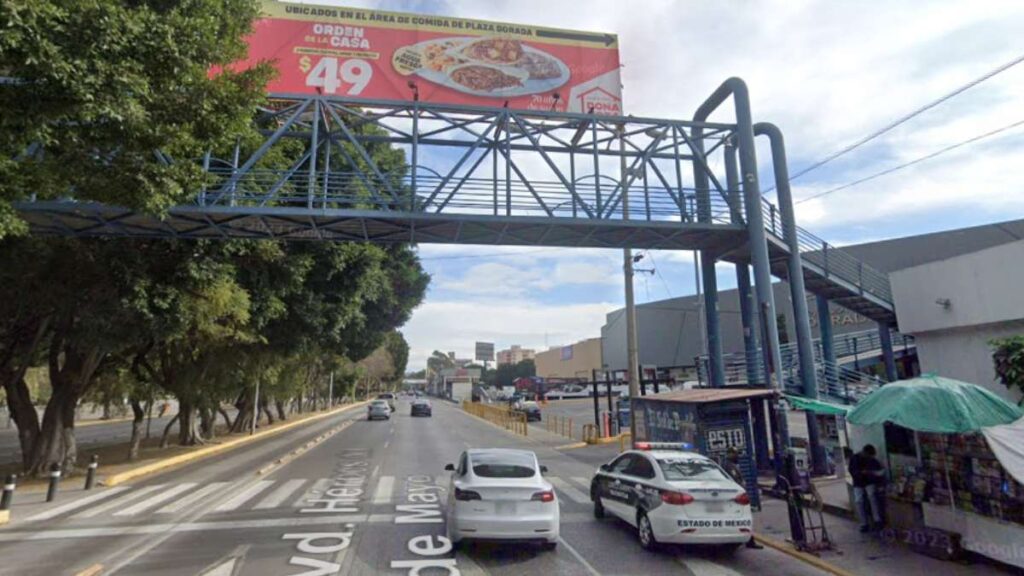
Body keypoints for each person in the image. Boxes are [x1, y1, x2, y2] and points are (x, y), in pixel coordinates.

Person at [722, 448, 764, 549]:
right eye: (735, 454)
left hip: (737, 497)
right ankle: (747, 541)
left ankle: (748, 540)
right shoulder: (728, 466)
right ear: (730, 454)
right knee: (742, 518)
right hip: (735, 498)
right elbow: (735, 481)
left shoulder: (731, 465)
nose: (738, 456)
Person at [849, 444, 885, 532]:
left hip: (869, 481)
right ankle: (864, 523)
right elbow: (852, 471)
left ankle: (877, 520)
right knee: (859, 500)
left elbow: (879, 471)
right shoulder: (855, 459)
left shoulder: (872, 460)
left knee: (872, 496)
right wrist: (861, 473)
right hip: (859, 482)